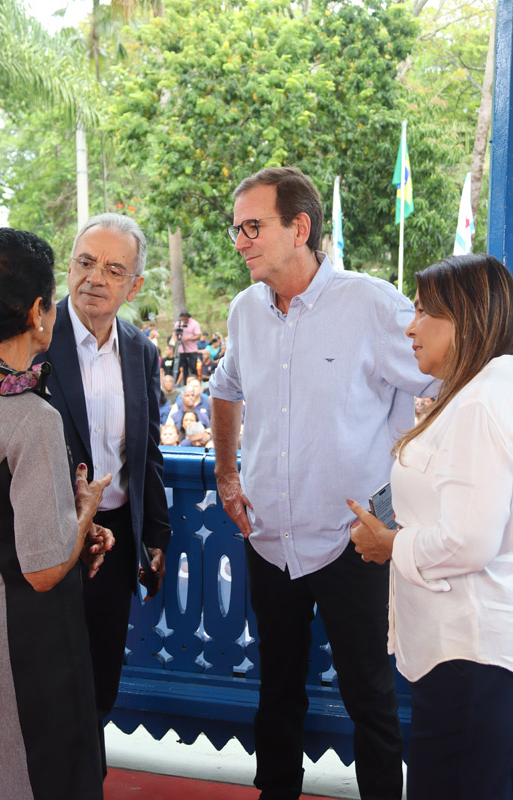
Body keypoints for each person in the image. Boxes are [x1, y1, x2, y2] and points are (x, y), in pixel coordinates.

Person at [209, 166, 436, 800]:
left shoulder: (372, 304)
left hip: (353, 541)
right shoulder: (244, 311)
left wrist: (406, 492)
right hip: (268, 538)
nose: (240, 241)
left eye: (253, 227)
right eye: (236, 229)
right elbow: (224, 390)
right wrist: (226, 473)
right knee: (275, 689)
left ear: (300, 227)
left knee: (371, 697)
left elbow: (445, 386)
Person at [348, 253, 513, 800]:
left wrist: (388, 543)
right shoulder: (478, 391)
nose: (410, 327)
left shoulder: (480, 402)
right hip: (467, 652)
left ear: (464, 318)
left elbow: (470, 539)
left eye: (423, 312)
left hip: (467, 652)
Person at [0, 227, 114, 800]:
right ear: (39, 313)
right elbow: (42, 567)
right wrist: (83, 515)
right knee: (32, 772)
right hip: (20, 641)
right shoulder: (30, 418)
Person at [41, 212, 171, 777]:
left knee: (100, 677)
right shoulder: (34, 338)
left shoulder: (140, 352)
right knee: (46, 681)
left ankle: (88, 778)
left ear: (133, 285)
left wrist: (155, 535)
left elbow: (146, 455)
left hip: (113, 547)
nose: (94, 278)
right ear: (68, 265)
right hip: (45, 540)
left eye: (113, 269)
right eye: (85, 262)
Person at [171, 310, 201, 383]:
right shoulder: (178, 324)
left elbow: (198, 336)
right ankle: (185, 383)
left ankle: (196, 382)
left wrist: (188, 339)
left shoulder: (194, 323)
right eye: (182, 319)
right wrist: (176, 340)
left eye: (185, 318)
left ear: (188, 317)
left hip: (192, 349)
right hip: (182, 350)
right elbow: (175, 333)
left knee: (193, 367)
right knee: (184, 368)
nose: (184, 320)